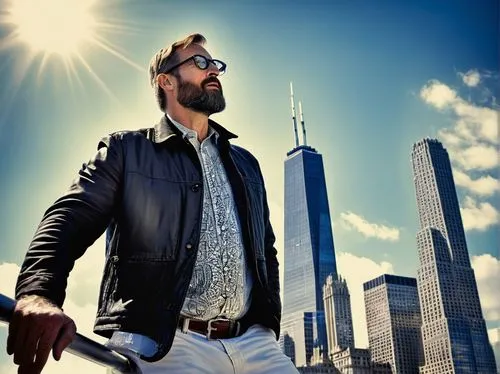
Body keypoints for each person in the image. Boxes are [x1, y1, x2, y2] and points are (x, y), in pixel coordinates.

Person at [7, 33, 298, 373]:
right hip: (166, 345)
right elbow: (68, 219)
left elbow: (266, 250)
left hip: (255, 343)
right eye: (200, 63)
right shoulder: (126, 151)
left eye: (215, 64)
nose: (213, 71)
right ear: (166, 81)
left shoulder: (246, 164)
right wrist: (38, 294)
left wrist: (268, 325)